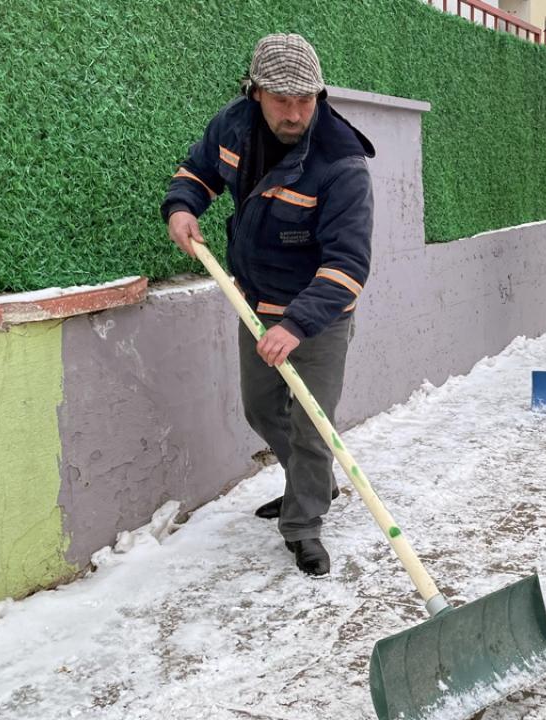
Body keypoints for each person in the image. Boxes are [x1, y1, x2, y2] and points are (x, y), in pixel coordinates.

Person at [161, 34, 375, 576]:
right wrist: (183, 208)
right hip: (255, 300)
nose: (296, 113)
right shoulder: (234, 124)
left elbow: (348, 265)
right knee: (261, 408)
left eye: (307, 100)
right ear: (255, 92)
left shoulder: (341, 162)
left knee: (312, 424)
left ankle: (304, 525)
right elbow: (197, 173)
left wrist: (298, 324)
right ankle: (314, 480)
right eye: (283, 100)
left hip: (318, 315)